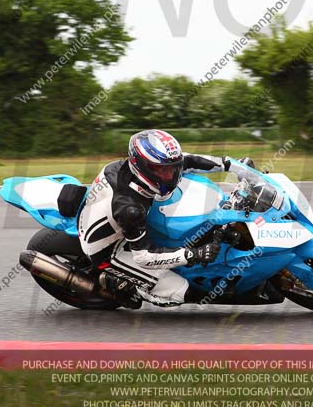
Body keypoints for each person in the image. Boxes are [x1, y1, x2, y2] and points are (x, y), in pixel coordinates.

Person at [80, 129, 245, 308]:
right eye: (161, 170)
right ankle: (131, 287)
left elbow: (189, 160)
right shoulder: (130, 208)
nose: (169, 176)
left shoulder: (141, 167)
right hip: (107, 249)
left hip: (120, 221)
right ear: (141, 166)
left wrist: (232, 165)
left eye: (172, 168)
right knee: (182, 290)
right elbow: (143, 256)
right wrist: (193, 254)